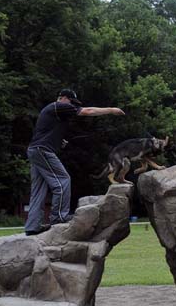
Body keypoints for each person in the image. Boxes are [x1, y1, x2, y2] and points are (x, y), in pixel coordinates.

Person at [24, 89, 125, 235]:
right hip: (42, 150)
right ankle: (58, 217)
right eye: (72, 102)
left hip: (35, 150)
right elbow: (88, 111)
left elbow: (45, 131)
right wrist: (111, 110)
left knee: (38, 189)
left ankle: (32, 227)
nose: (72, 106)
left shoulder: (52, 112)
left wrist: (59, 141)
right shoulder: (58, 106)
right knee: (63, 180)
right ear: (64, 98)